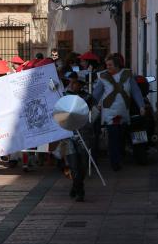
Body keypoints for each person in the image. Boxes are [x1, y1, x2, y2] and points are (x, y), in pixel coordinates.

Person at [93, 53, 145, 171]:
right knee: (113, 136)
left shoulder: (127, 75)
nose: (108, 67)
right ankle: (114, 162)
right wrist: (92, 105)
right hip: (109, 112)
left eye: (110, 65)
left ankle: (119, 156)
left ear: (117, 65)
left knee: (121, 136)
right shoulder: (103, 77)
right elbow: (96, 94)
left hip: (123, 112)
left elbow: (136, 91)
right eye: (107, 65)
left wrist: (141, 106)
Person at [62, 71, 97, 201]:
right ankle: (80, 191)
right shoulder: (63, 96)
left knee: (82, 164)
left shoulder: (87, 97)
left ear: (80, 84)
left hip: (84, 134)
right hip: (69, 135)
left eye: (75, 83)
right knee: (73, 165)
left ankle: (75, 186)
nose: (72, 85)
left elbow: (96, 110)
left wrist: (89, 121)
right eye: (71, 82)